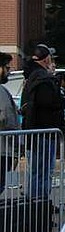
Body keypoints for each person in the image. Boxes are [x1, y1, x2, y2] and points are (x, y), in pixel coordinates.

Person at [21, 44, 65, 201]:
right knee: (42, 171)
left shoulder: (31, 76)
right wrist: (64, 101)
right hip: (44, 133)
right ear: (46, 58)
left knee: (36, 170)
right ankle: (39, 205)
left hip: (34, 131)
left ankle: (36, 204)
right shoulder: (43, 78)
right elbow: (48, 102)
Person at [0, 52, 21, 194]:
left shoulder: (3, 90)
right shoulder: (1, 92)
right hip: (2, 147)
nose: (9, 72)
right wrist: (15, 148)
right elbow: (6, 118)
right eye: (7, 68)